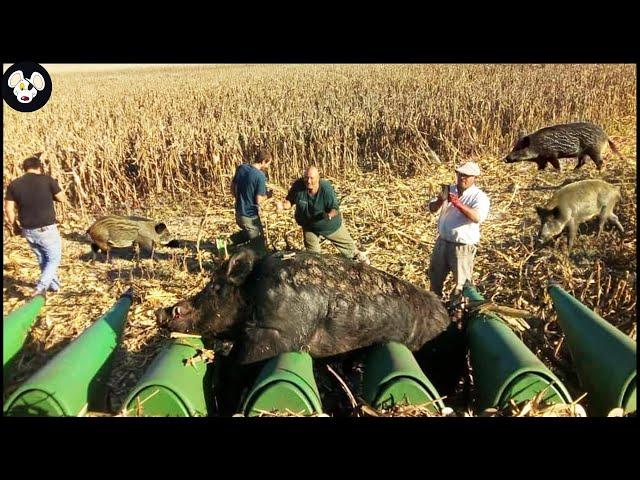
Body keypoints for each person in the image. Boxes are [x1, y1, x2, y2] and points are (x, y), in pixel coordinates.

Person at [277, 166, 369, 263]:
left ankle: (364, 263)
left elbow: (335, 208)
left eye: (311, 178)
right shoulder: (298, 186)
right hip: (309, 226)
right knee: (313, 256)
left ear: (318, 178)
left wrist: (329, 215)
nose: (308, 181)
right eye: (306, 177)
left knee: (351, 251)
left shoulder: (325, 188)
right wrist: (283, 206)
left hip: (329, 225)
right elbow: (290, 201)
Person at [4, 155, 66, 296]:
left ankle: (54, 286)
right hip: (46, 228)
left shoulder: (14, 184)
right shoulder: (47, 179)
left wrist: (14, 225)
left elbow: (8, 208)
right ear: (39, 167)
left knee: (42, 258)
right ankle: (41, 288)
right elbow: (62, 198)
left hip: (28, 230)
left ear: (24, 168)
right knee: (54, 258)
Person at [427, 161, 490, 298]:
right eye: (460, 174)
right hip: (442, 243)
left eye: (467, 176)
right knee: (434, 279)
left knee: (461, 285)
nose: (462, 178)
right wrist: (439, 200)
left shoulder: (479, 197)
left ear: (475, 178)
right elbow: (432, 209)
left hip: (462, 247)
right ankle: (435, 309)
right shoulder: (449, 189)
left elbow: (477, 217)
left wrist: (457, 204)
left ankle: (458, 314)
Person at [228, 148, 273, 255]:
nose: (268, 167)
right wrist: (268, 196)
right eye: (268, 164)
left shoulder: (241, 168)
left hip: (239, 212)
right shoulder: (260, 176)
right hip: (250, 215)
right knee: (259, 246)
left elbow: (233, 187)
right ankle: (235, 250)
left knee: (250, 231)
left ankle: (227, 242)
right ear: (263, 162)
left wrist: (239, 199)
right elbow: (258, 200)